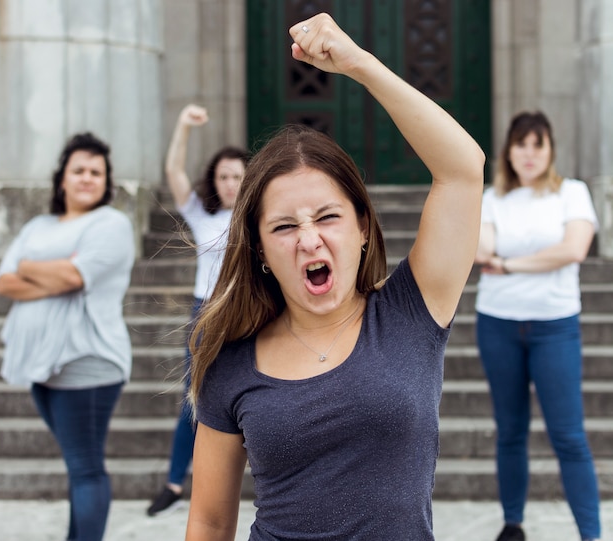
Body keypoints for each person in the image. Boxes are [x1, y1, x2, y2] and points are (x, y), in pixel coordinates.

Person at [184, 13, 485, 541]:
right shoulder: (230, 355)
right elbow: (209, 521)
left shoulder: (411, 314)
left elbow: (463, 169)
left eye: (327, 217)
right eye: (283, 226)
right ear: (259, 250)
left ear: (363, 227)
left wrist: (361, 66)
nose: (308, 239)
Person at [0, 132, 135, 541]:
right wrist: (49, 274)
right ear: (62, 179)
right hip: (42, 365)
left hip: (86, 361)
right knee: (79, 468)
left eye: (97, 172)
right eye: (79, 170)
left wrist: (32, 266)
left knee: (86, 468)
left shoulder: (112, 224)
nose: (87, 178)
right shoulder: (39, 224)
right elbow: (4, 281)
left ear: (106, 181)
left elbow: (76, 276)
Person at [474, 111, 601, 541]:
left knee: (568, 434)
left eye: (537, 145)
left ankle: (591, 533)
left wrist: (508, 264)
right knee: (510, 430)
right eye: (520, 145)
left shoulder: (573, 193)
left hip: (555, 326)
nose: (529, 154)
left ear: (550, 150)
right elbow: (480, 248)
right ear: (508, 151)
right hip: (499, 325)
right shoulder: (492, 198)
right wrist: (528, 260)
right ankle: (513, 524)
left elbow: (574, 249)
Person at [146, 104, 249, 516]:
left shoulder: (263, 216)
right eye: (223, 176)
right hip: (205, 313)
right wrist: (184, 127)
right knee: (194, 399)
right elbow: (174, 172)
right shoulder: (202, 216)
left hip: (248, 312)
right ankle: (174, 483)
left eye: (238, 176)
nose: (229, 184)